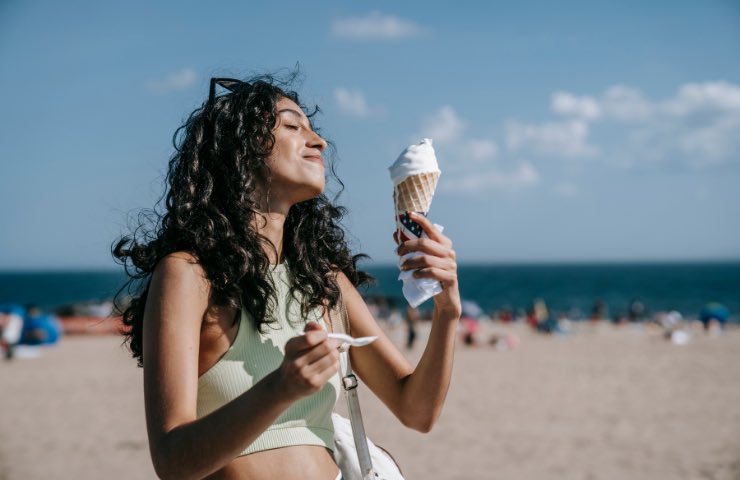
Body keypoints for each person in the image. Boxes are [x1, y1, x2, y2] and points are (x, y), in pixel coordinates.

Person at [112, 74, 461, 480]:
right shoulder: (189, 275)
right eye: (293, 126)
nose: (319, 142)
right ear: (240, 150)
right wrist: (280, 388)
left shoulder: (323, 280)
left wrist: (447, 309)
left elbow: (416, 410)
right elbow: (172, 461)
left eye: (313, 130)